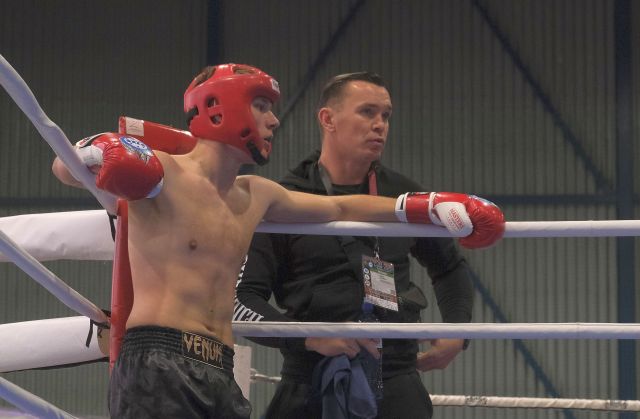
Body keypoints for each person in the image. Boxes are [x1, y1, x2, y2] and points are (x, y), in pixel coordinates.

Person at [52, 65, 504, 419]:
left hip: (220, 366)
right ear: (220, 108)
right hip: (160, 358)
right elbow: (64, 167)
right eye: (262, 106)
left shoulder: (256, 194)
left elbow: (341, 207)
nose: (273, 120)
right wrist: (103, 148)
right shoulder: (163, 171)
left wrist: (424, 206)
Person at [234, 72, 491, 419]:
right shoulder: (285, 200)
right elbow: (243, 299)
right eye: (367, 112)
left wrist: (457, 330)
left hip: (396, 375)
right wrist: (309, 337)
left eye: (386, 115)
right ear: (328, 119)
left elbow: (449, 267)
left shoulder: (402, 196)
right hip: (311, 379)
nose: (380, 125)